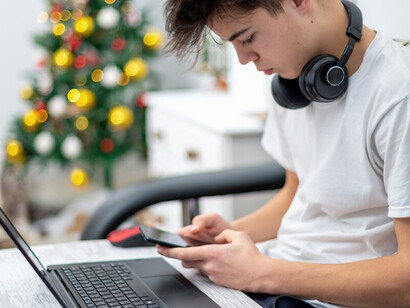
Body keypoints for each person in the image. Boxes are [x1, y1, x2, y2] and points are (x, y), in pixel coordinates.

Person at [158, 0, 410, 307]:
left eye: (247, 38)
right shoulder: (293, 81)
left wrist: (261, 274)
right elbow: (297, 194)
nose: (242, 59)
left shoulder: (399, 96)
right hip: (274, 285)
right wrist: (230, 234)